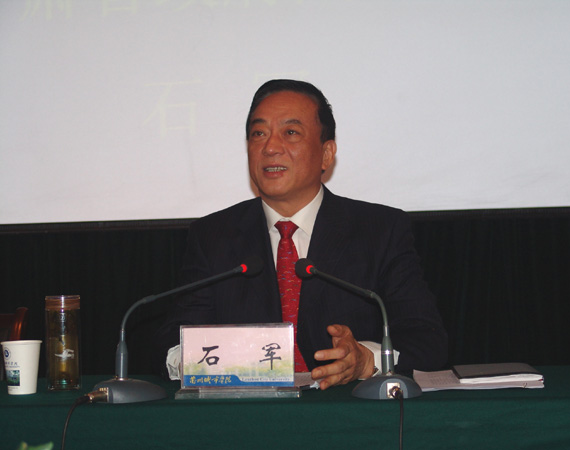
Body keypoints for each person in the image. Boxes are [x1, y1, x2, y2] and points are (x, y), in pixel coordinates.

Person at [156, 79, 447, 389]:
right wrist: (202, 361)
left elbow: (427, 341)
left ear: (326, 154)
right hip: (248, 412)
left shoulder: (380, 230)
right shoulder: (213, 236)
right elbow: (173, 343)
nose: (270, 147)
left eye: (291, 132)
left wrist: (367, 360)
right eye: (258, 134)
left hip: (347, 411)